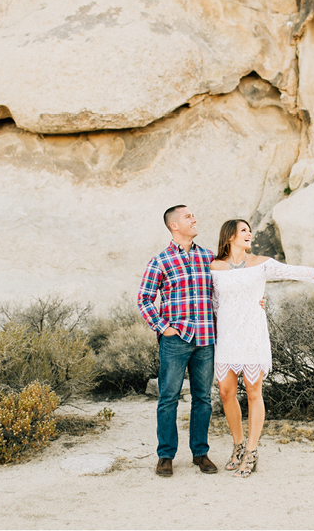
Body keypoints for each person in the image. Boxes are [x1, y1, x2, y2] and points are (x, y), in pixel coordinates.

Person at [210, 218, 314, 478]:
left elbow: (294, 271)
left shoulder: (261, 264)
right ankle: (238, 445)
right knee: (226, 392)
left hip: (252, 334)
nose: (249, 234)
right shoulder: (214, 267)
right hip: (228, 336)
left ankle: (251, 451)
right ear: (229, 236)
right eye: (244, 231)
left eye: (250, 230)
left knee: (253, 391)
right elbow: (214, 304)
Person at [137, 205, 218, 478]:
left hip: (206, 338)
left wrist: (256, 301)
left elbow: (227, 290)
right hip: (176, 340)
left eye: (194, 215)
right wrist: (162, 327)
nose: (194, 219)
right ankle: (165, 456)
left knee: (203, 398)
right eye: (188, 217)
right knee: (168, 399)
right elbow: (144, 299)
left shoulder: (209, 257)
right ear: (174, 225)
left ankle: (200, 453)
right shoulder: (160, 261)